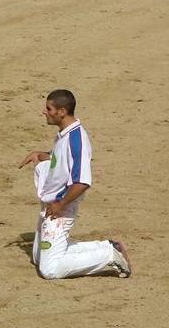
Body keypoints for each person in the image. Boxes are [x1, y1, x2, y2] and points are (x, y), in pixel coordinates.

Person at [18, 89, 132, 279]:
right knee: (38, 256)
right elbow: (61, 160)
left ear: (62, 111)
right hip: (53, 203)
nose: (44, 112)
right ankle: (108, 246)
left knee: (50, 270)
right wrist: (41, 155)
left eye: (48, 108)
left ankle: (109, 255)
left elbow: (82, 182)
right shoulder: (64, 134)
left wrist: (60, 205)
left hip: (62, 206)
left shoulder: (76, 139)